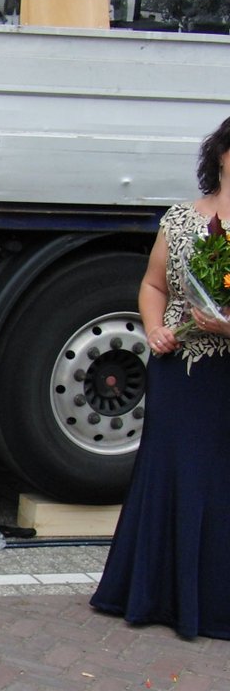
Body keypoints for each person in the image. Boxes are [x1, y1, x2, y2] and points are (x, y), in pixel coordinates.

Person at [90, 115, 230, 640]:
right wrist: (154, 330)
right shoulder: (179, 220)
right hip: (183, 370)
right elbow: (153, 285)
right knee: (174, 474)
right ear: (221, 154)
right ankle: (154, 595)